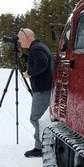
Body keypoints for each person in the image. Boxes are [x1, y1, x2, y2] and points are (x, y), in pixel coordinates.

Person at [17, 28, 54, 158]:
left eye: (20, 38)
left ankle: (40, 148)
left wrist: (29, 73)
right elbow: (37, 60)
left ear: (27, 37)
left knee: (36, 118)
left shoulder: (36, 49)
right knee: (40, 118)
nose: (19, 41)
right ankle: (47, 142)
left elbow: (42, 63)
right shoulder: (38, 47)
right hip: (45, 88)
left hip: (43, 89)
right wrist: (24, 56)